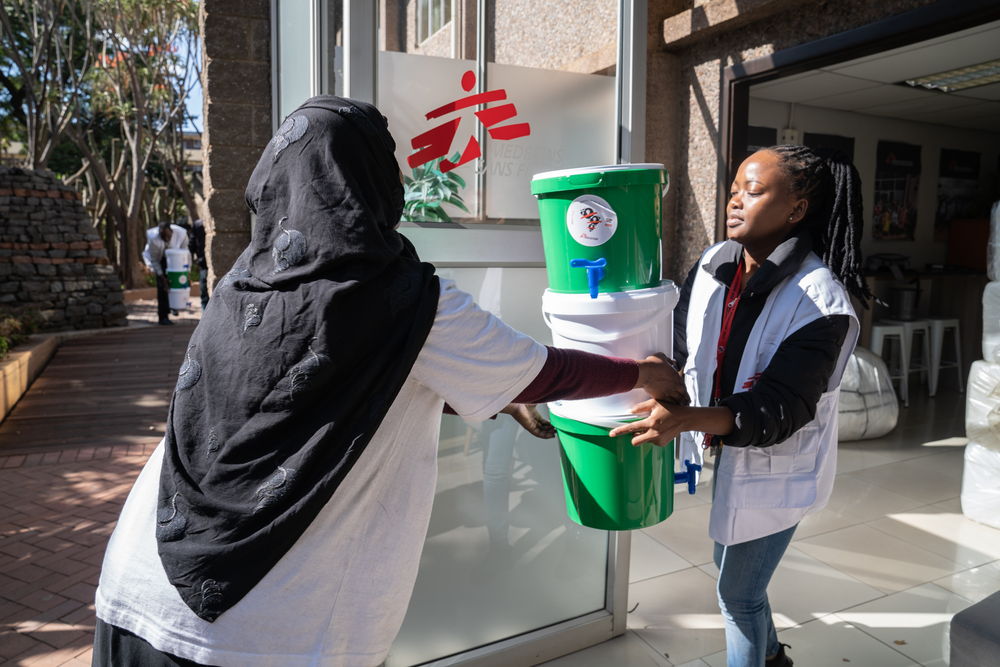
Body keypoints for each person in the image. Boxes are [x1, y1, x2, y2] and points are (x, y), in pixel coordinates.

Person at [92, 96, 687, 667]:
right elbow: (545, 371)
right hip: (260, 628)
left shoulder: (241, 287)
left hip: (138, 584)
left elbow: (329, 393)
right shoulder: (400, 300)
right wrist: (642, 372)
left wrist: (496, 401)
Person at [612, 145, 869, 667]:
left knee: (738, 594)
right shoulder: (714, 264)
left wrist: (686, 418)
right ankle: (774, 658)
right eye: (732, 191)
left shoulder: (820, 302)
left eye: (752, 192)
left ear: (796, 210)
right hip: (726, 442)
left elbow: (778, 410)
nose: (734, 203)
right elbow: (685, 341)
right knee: (727, 556)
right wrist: (661, 366)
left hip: (779, 460)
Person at [142, 220, 189, 325]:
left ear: (172, 232)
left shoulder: (181, 233)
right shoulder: (153, 239)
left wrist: (187, 270)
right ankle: (163, 317)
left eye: (168, 236)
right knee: (162, 289)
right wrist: (161, 276)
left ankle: (174, 306)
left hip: (177, 260)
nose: (167, 239)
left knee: (176, 285)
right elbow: (154, 259)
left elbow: (186, 252)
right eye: (164, 237)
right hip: (161, 260)